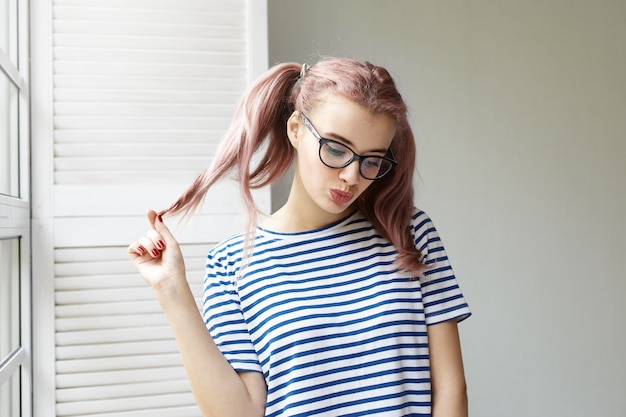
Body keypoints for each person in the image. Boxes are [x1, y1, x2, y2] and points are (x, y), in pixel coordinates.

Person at [128, 57, 471, 417]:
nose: (352, 176)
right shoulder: (231, 265)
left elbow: (450, 389)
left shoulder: (410, 234)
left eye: (372, 160)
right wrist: (171, 291)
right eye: (336, 149)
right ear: (295, 128)